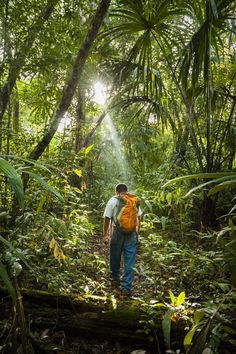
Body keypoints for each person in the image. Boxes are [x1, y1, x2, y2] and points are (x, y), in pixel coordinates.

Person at [103, 183, 142, 295]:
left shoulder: (113, 200)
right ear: (126, 191)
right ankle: (126, 287)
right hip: (132, 233)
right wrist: (137, 232)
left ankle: (115, 279)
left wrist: (105, 234)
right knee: (130, 261)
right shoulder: (133, 200)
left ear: (117, 192)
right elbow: (139, 217)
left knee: (115, 257)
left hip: (117, 232)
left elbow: (107, 218)